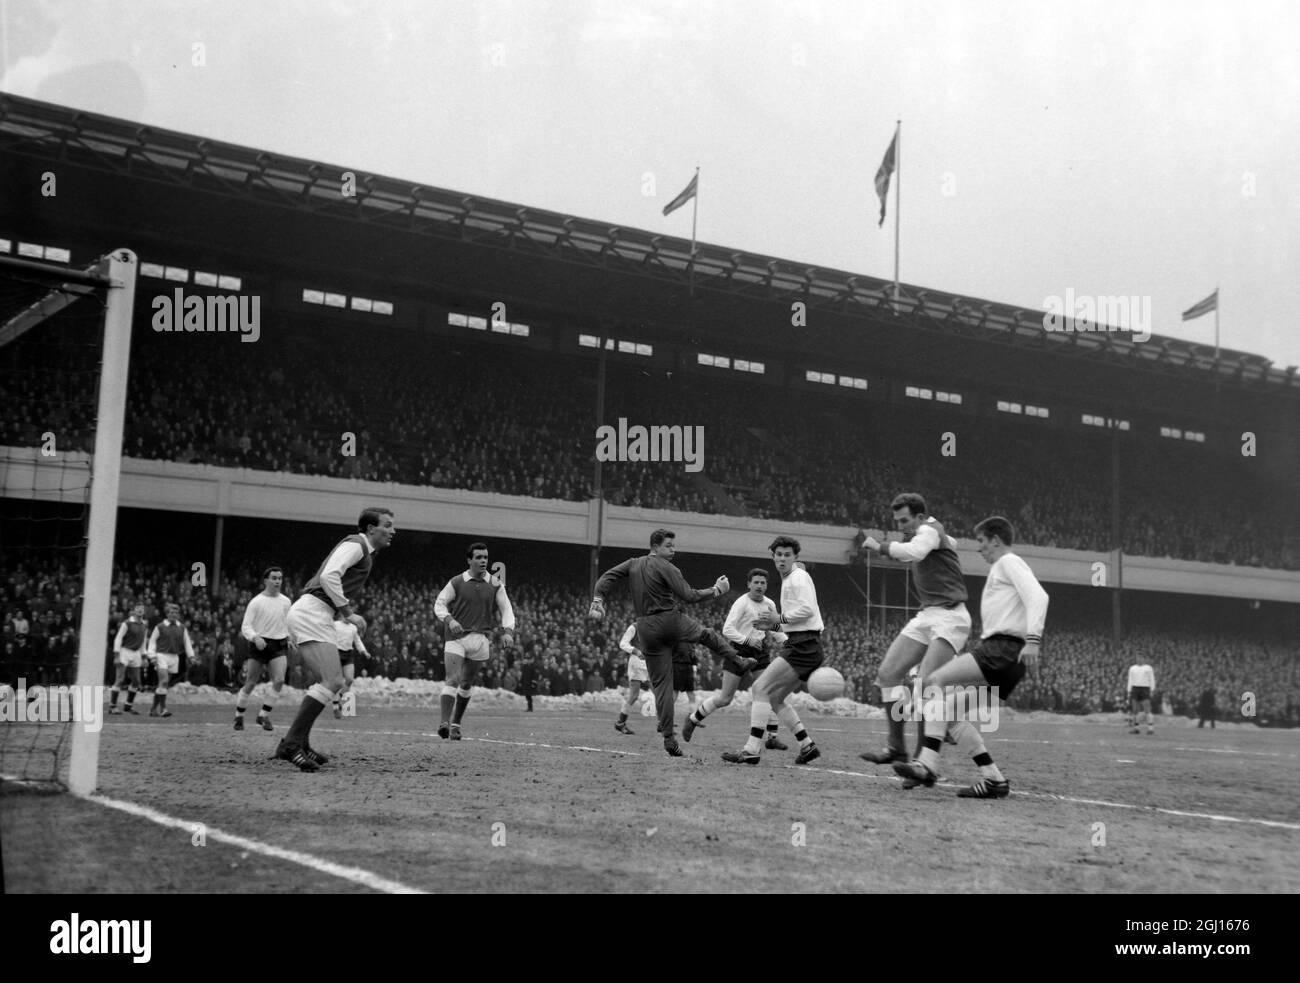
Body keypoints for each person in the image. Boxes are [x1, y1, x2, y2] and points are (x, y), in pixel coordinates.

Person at [893, 515, 1049, 798]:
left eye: (981, 541)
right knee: (949, 711)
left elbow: (1039, 597)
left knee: (931, 681)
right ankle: (994, 780)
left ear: (995, 540)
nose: (979, 548)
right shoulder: (1005, 566)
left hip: (1002, 648)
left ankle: (927, 763)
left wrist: (1034, 640)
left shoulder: (1008, 562)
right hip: (1008, 658)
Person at [590, 528, 738, 757]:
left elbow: (607, 577)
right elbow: (689, 595)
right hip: (668, 620)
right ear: (655, 547)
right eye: (669, 545)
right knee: (706, 634)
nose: (673, 549)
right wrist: (717, 590)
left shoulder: (633, 563)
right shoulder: (667, 566)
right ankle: (738, 659)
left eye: (674, 545)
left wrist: (598, 598)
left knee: (662, 687)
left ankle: (668, 737)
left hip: (645, 628)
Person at [278, 506, 395, 771]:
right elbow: (329, 575)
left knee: (330, 682)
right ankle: (291, 745)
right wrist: (348, 613)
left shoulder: (364, 550)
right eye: (387, 525)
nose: (392, 531)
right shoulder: (357, 545)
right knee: (333, 680)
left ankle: (299, 742)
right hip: (312, 612)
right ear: (369, 528)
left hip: (316, 612)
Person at [858, 493, 970, 767]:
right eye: (897, 521)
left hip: (950, 617)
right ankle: (897, 748)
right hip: (927, 614)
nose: (900, 526)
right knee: (888, 675)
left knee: (925, 684)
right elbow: (935, 545)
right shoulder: (930, 532)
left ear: (920, 516)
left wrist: (879, 546)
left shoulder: (928, 531)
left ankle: (922, 762)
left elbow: (916, 552)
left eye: (904, 520)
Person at [722, 537, 823, 766]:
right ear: (773, 556)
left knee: (760, 688)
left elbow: (807, 610)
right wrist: (773, 625)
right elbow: (793, 620)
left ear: (795, 557)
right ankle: (807, 745)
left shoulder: (797, 578)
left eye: (787, 554)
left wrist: (778, 619)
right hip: (803, 643)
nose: (782, 558)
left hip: (804, 644)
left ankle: (751, 749)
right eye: (778, 554)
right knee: (775, 697)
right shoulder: (792, 578)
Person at [683, 568, 783, 748]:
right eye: (756, 582)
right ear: (749, 584)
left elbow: (774, 627)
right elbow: (727, 629)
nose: (759, 586)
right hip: (737, 651)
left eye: (763, 583)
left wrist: (787, 642)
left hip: (759, 651)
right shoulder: (741, 603)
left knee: (767, 692)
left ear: (766, 585)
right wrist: (747, 640)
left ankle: (772, 737)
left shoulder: (769, 604)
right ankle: (692, 720)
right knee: (725, 698)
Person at [434, 542, 515, 740]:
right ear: (469, 560)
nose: (483, 561)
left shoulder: (496, 584)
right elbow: (439, 604)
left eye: (485, 557)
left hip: (480, 639)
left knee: (467, 683)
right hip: (457, 638)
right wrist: (450, 620)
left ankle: (455, 725)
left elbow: (507, 610)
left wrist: (508, 632)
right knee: (452, 678)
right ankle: (444, 723)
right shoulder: (457, 582)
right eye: (478, 557)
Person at [236, 566, 292, 731]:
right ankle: (239, 716)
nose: (277, 581)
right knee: (251, 683)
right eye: (274, 578)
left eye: (280, 578)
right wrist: (255, 637)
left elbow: (287, 622)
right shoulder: (256, 601)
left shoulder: (286, 601)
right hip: (259, 644)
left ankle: (263, 715)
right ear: (266, 580)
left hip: (278, 645)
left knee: (280, 680)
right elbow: (246, 626)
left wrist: (289, 636)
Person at [146, 602, 194, 718]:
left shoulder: (181, 628)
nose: (174, 615)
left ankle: (153, 709)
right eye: (172, 612)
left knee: (163, 685)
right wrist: (152, 656)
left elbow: (187, 642)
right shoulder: (160, 627)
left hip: (174, 657)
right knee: (164, 681)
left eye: (176, 613)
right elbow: (152, 641)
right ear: (167, 614)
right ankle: (163, 709)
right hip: (161, 655)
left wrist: (191, 656)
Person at [108, 603, 148, 715]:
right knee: (120, 679)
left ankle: (128, 706)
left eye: (142, 609)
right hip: (125, 651)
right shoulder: (127, 623)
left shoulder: (144, 625)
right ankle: (113, 706)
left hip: (136, 654)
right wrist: (116, 655)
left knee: (136, 681)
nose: (140, 611)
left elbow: (143, 643)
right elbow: (118, 638)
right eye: (138, 609)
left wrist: (144, 657)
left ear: (144, 612)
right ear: (134, 611)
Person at [614, 623, 649, 735]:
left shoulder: (654, 626)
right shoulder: (634, 627)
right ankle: (620, 722)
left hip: (649, 664)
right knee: (634, 696)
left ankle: (662, 724)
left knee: (659, 693)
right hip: (636, 663)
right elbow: (623, 644)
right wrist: (636, 651)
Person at [332, 613, 369, 718]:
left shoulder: (353, 628)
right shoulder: (335, 624)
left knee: (349, 679)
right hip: (336, 653)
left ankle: (338, 700)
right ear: (342, 615)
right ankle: (335, 707)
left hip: (348, 654)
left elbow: (357, 641)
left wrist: (364, 652)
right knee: (338, 682)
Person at [1127, 660, 1156, 735]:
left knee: (1147, 709)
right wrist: (1129, 690)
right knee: (1135, 710)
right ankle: (1136, 729)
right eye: (1138, 657)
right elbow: (1130, 679)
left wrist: (1152, 689)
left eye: (1141, 657)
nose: (1139, 659)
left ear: (1144, 658)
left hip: (1144, 689)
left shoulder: (1148, 668)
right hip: (1135, 688)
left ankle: (1150, 729)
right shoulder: (1132, 668)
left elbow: (1152, 678)